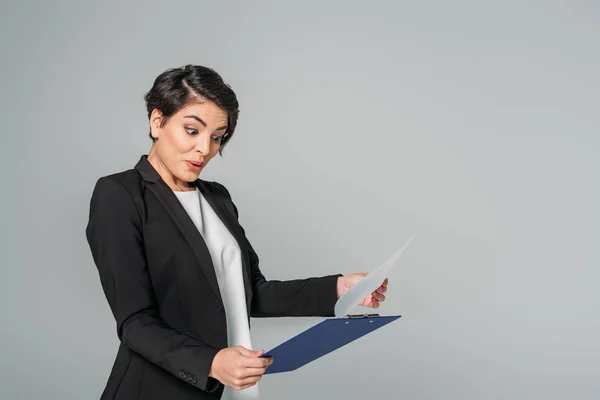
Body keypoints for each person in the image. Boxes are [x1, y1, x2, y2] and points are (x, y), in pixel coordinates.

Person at [85, 64, 389, 400]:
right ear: (157, 121)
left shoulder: (217, 198)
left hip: (230, 391)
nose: (206, 148)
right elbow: (135, 323)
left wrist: (337, 288)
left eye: (217, 137)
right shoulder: (120, 194)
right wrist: (211, 362)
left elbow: (250, 293)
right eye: (192, 130)